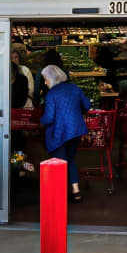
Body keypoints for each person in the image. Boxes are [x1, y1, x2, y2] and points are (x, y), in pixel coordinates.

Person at [40, 65, 91, 202]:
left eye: (45, 79)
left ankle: (59, 194)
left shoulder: (51, 94)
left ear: (51, 78)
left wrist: (39, 120)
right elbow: (87, 105)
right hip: (76, 130)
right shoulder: (74, 88)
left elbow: (49, 117)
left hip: (60, 133)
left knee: (59, 163)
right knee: (71, 159)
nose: (45, 82)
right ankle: (76, 190)